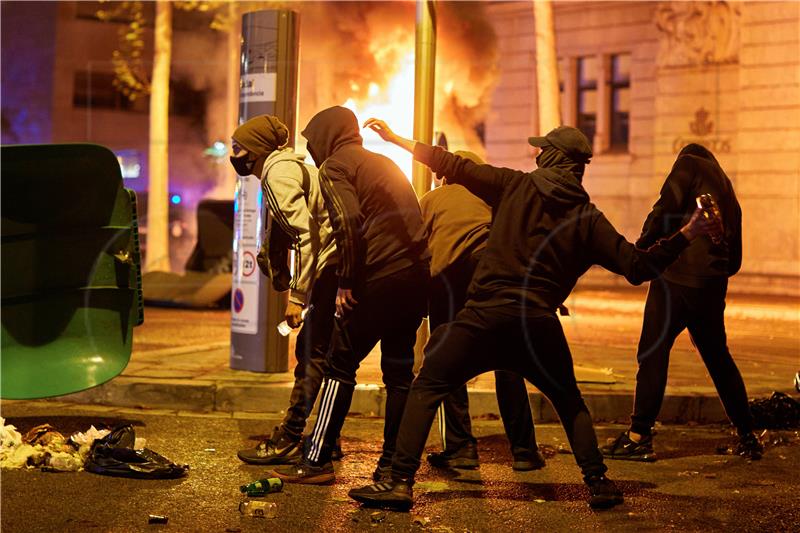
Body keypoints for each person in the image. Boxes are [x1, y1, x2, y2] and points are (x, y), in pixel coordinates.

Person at [347, 120, 719, 510]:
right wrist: (690, 232)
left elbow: (452, 165)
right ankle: (598, 483)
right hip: (538, 327)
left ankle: (400, 483)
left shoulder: (516, 185)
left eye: (542, 150)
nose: (536, 154)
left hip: (483, 317)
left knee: (427, 387)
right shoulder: (588, 219)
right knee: (569, 400)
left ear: (554, 156)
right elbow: (638, 266)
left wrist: (394, 140)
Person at [269, 106, 429, 485]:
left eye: (313, 142)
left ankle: (316, 460)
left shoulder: (336, 166)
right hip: (416, 278)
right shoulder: (380, 162)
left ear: (328, 136)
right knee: (399, 373)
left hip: (380, 277)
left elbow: (347, 221)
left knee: (339, 366)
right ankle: (391, 466)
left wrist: (346, 280)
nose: (311, 152)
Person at [601, 143, 763, 461]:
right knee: (719, 359)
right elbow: (736, 261)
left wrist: (642, 249)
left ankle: (638, 436)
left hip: (675, 281)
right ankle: (748, 436)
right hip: (712, 287)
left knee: (653, 351)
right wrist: (713, 273)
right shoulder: (729, 194)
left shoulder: (688, 164)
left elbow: (665, 209)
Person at [422, 150, 545, 472]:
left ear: (447, 175)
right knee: (509, 363)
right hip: (494, 273)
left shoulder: (434, 198)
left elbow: (417, 245)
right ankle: (524, 451)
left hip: (450, 278)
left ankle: (461, 447)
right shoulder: (494, 198)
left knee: (445, 361)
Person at [229, 115, 341, 465]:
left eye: (238, 147)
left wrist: (297, 296)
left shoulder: (277, 175)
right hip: (338, 266)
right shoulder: (293, 167)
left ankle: (290, 436)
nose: (234, 154)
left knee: (311, 353)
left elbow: (307, 235)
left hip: (330, 269)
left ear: (257, 149)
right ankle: (325, 439)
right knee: (332, 357)